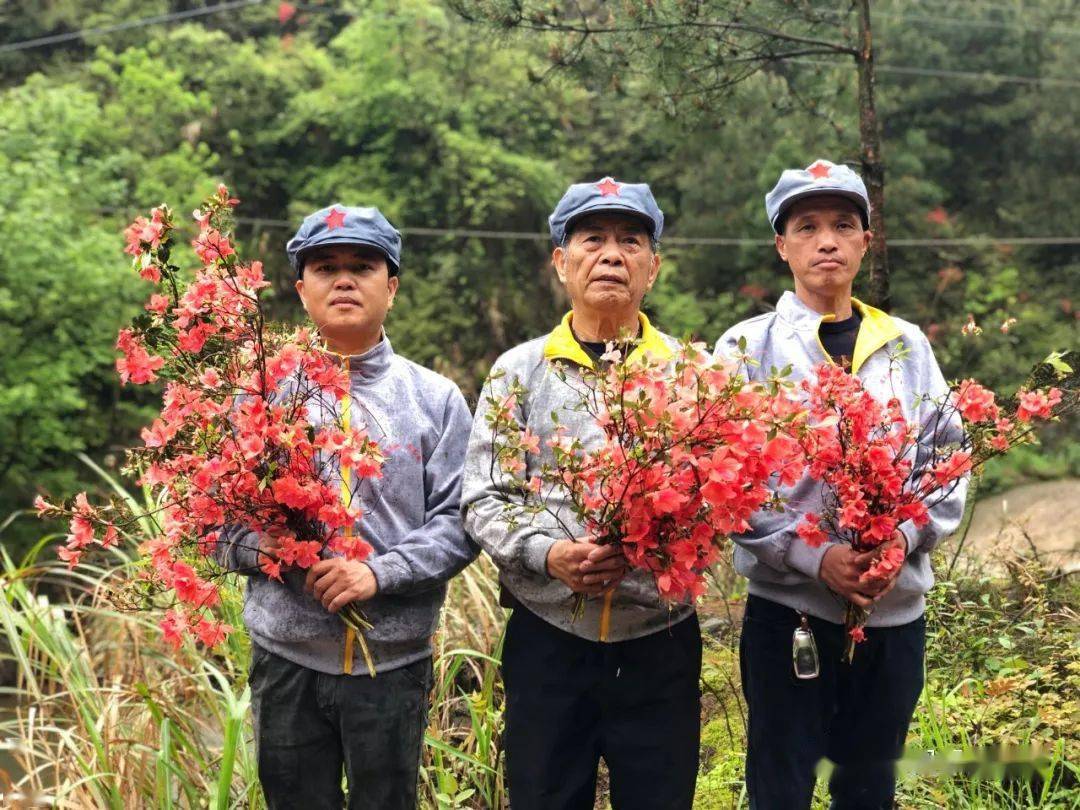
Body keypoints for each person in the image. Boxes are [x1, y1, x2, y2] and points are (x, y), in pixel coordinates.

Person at [715, 160, 969, 809]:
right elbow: (725, 482)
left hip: (893, 615)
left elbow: (948, 458)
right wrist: (813, 557)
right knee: (780, 787)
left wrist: (903, 539)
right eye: (807, 227)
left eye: (843, 225)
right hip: (789, 615)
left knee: (868, 789)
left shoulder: (907, 345)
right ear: (782, 245)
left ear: (866, 241)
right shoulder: (746, 351)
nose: (826, 240)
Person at [215, 204, 476, 809]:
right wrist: (269, 550)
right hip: (286, 661)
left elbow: (461, 522)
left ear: (393, 286)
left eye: (362, 266)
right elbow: (213, 524)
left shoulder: (434, 398)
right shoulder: (257, 395)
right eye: (325, 268)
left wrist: (377, 574)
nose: (344, 280)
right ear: (300, 289)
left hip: (393, 662)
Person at [462, 178, 702, 810]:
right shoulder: (519, 371)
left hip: (659, 639)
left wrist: (653, 547)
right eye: (592, 239)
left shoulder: (692, 376)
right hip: (548, 639)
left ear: (654, 267)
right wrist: (549, 554)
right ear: (561, 262)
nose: (612, 255)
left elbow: (721, 506)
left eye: (630, 241)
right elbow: (483, 497)